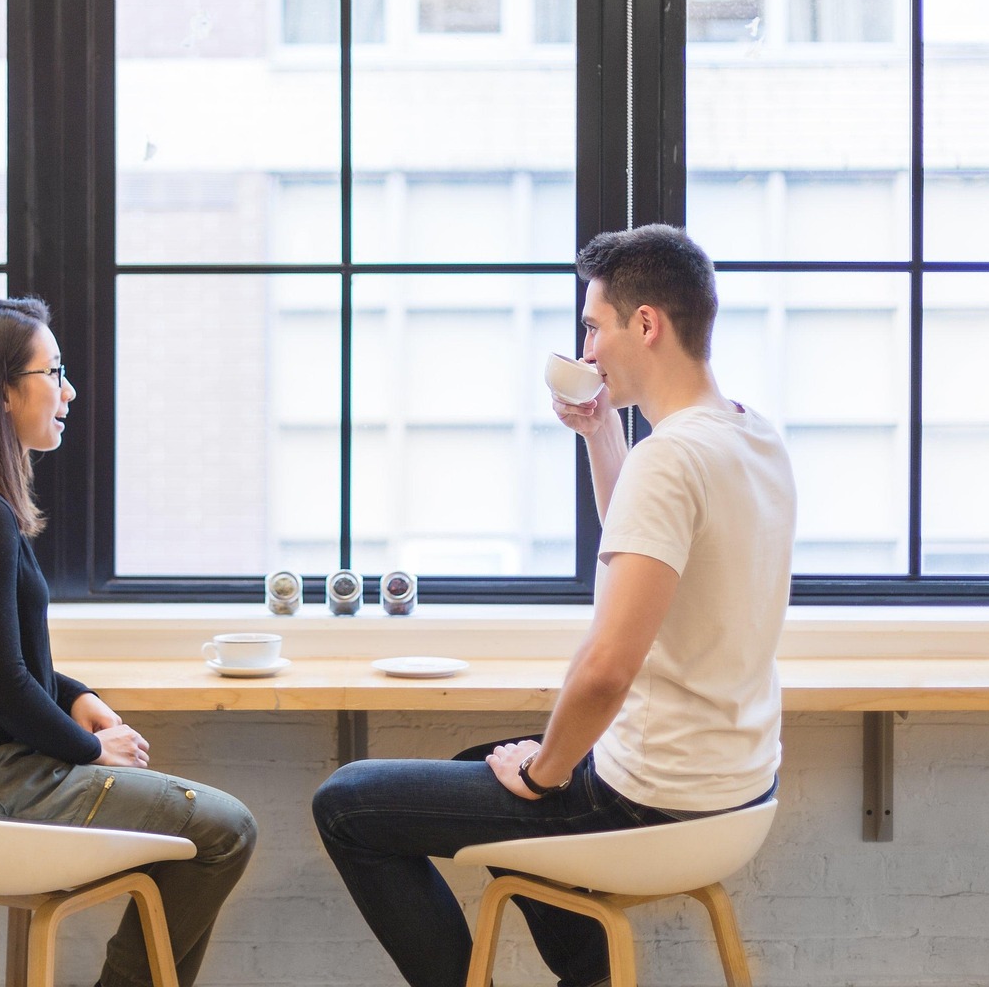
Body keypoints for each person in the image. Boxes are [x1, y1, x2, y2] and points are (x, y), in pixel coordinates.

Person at [311, 225, 796, 987]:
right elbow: (650, 545)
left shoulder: (670, 457)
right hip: (736, 787)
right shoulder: (748, 434)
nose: (589, 351)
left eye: (593, 327)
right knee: (481, 767)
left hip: (653, 799)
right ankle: (591, 977)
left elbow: (606, 669)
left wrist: (545, 774)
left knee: (347, 805)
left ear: (646, 325)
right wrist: (603, 432)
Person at [0, 296, 256, 987]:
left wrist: (76, 696)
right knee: (226, 829)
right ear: (1, 391)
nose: (68, 390)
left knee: (178, 825)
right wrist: (89, 749)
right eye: (53, 371)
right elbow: (0, 684)